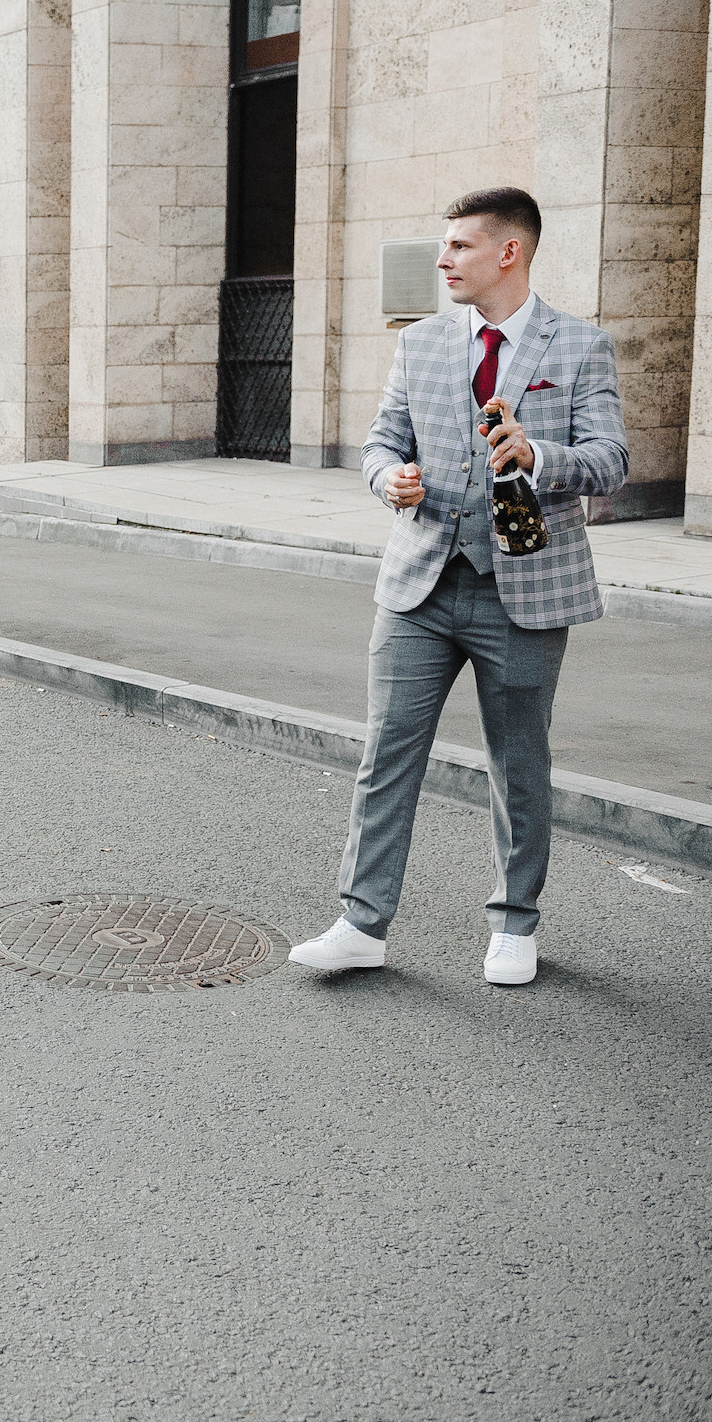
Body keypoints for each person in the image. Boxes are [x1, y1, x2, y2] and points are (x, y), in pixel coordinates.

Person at [287, 187, 627, 988]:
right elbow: (378, 442)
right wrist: (388, 478)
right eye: (445, 247)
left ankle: (515, 923)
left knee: (518, 763)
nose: (443, 260)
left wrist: (540, 454)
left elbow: (610, 459)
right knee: (386, 753)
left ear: (509, 252)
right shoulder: (423, 344)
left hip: (526, 589)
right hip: (421, 582)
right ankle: (361, 923)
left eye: (460, 247)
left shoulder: (580, 346)